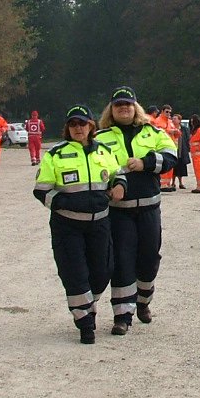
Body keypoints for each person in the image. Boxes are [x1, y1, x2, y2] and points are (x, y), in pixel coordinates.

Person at [33, 105, 127, 343]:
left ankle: (88, 305)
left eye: (82, 124)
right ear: (67, 128)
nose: (78, 128)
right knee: (75, 273)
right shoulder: (56, 154)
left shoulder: (104, 151)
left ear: (91, 126)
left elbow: (119, 174)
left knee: (102, 271)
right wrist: (67, 203)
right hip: (68, 226)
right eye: (73, 124)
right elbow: (41, 190)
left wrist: (119, 186)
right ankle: (85, 322)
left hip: (100, 224)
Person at [95, 85, 177, 335]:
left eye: (128, 104)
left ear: (135, 107)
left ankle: (143, 301)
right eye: (119, 105)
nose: (124, 108)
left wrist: (146, 163)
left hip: (149, 209)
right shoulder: (101, 137)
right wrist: (113, 182)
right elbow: (96, 166)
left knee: (150, 258)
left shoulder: (153, 132)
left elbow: (172, 156)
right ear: (112, 109)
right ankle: (122, 315)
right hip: (119, 211)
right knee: (122, 261)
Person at [158, 104, 179, 191]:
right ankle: (162, 184)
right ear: (162, 111)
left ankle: (168, 183)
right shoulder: (158, 121)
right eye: (167, 111)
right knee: (164, 164)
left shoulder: (170, 122)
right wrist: (169, 131)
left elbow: (177, 134)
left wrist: (177, 131)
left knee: (170, 166)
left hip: (172, 146)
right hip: (163, 146)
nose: (168, 113)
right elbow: (158, 132)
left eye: (170, 112)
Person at [173, 113, 190, 189]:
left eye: (175, 118)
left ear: (179, 120)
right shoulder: (171, 128)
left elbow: (187, 139)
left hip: (181, 151)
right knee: (173, 167)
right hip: (173, 150)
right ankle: (172, 182)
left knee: (181, 167)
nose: (173, 120)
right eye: (173, 118)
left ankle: (180, 182)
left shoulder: (184, 129)